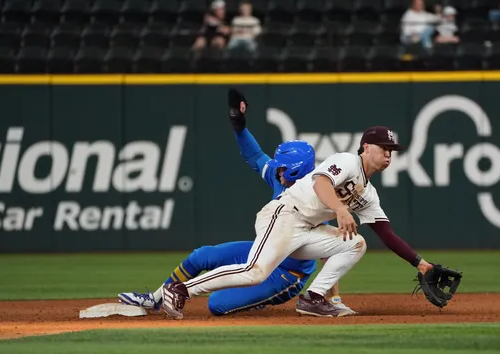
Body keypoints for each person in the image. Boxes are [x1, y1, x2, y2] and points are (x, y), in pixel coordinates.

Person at [160, 91, 441, 320]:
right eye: (384, 149)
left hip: (306, 231)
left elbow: (387, 234)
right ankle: (181, 290)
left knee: (357, 243)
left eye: (392, 151)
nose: (389, 155)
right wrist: (342, 210)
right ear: (366, 147)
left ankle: (313, 298)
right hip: (284, 216)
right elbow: (321, 183)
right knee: (254, 272)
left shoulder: (367, 194)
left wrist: (421, 264)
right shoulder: (346, 161)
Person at [118, 90, 355, 317]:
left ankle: (255, 298)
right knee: (202, 256)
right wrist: (239, 125)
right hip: (264, 252)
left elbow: (329, 252)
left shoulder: (320, 194)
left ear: (299, 169)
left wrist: (331, 297)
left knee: (217, 304)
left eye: (283, 167)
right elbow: (254, 155)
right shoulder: (278, 175)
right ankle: (157, 299)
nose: (277, 170)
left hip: (287, 274)